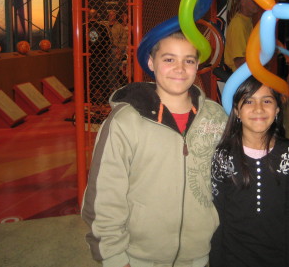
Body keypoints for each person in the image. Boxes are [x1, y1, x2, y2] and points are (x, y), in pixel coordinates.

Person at [81, 32, 228, 267]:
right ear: (151, 62)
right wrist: (114, 257)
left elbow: (235, 172)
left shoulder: (216, 117)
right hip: (139, 256)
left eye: (188, 60)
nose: (180, 68)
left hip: (199, 253)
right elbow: (104, 195)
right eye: (169, 59)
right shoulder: (125, 122)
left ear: (197, 65)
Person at [210, 76, 289, 267]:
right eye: (248, 101)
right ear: (236, 110)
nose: (258, 108)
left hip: (276, 257)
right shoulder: (223, 156)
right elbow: (217, 216)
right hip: (232, 258)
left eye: (267, 100)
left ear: (278, 109)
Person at [224, 0, 260, 72]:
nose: (258, 2)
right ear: (242, 2)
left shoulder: (247, 20)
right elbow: (239, 62)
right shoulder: (239, 24)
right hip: (241, 79)